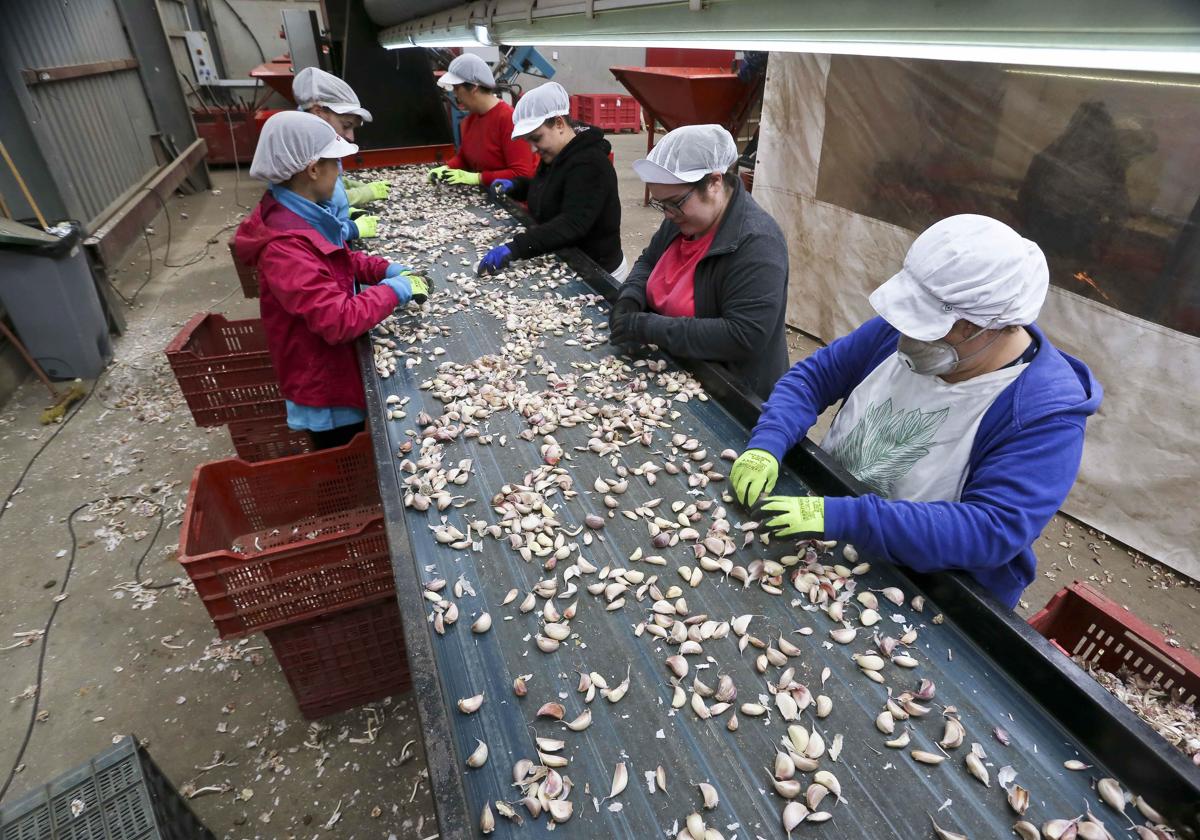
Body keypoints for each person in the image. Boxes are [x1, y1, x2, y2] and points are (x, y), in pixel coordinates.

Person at [729, 215, 1102, 609]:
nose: (909, 338)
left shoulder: (1044, 414)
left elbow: (989, 531)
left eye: (932, 326)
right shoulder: (905, 332)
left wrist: (846, 517)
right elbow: (814, 377)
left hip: (935, 586)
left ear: (992, 326)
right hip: (833, 515)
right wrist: (767, 443)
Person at [235, 112, 430, 450]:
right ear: (313, 169)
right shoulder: (285, 247)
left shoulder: (298, 214)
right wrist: (394, 291)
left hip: (329, 367)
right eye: (335, 164)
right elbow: (337, 320)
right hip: (323, 387)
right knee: (345, 451)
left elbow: (336, 259)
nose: (341, 172)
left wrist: (384, 270)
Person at [608, 124, 789, 400]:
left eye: (674, 203)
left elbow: (744, 335)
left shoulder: (757, 242)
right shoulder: (683, 219)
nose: (667, 214)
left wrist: (648, 327)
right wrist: (629, 299)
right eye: (662, 205)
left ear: (714, 182)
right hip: (676, 368)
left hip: (731, 391)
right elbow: (648, 261)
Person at [477, 82, 626, 279]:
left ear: (559, 123)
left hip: (599, 270)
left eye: (536, 138)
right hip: (570, 259)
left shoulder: (590, 164)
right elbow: (551, 190)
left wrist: (516, 248)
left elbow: (572, 224)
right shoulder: (557, 153)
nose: (532, 148)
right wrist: (518, 186)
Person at [292, 66, 387, 241]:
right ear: (318, 112)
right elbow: (307, 231)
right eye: (346, 125)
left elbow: (327, 194)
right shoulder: (302, 155)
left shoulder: (320, 142)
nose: (351, 137)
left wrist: (341, 209)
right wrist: (349, 228)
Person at [428, 54, 537, 189]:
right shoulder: (473, 118)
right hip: (486, 192)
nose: (455, 95)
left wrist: (479, 177)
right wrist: (447, 168)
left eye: (457, 89)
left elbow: (522, 173)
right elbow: (464, 159)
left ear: (474, 87)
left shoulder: (509, 120)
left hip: (510, 200)